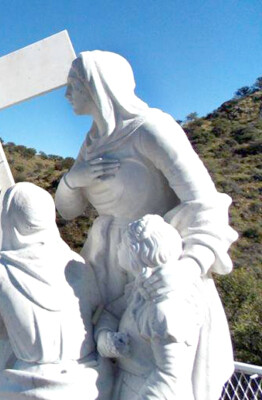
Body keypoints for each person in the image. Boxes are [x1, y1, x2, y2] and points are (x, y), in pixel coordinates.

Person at [55, 50, 237, 400]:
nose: (67, 94)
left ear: (99, 86)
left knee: (164, 366)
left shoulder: (150, 129)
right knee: (110, 350)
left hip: (155, 259)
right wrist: (71, 181)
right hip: (106, 260)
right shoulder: (92, 142)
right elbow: (68, 212)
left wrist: (188, 267)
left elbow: (206, 205)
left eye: (73, 84)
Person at [0, 182, 114, 400]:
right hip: (90, 383)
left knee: (2, 350)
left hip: (29, 387)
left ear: (9, 219)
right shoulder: (76, 264)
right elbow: (95, 311)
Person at [108, 215, 205, 400]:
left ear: (136, 251)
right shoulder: (141, 293)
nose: (118, 248)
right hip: (129, 385)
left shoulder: (164, 309)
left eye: (122, 244)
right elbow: (110, 312)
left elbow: (170, 377)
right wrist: (106, 338)